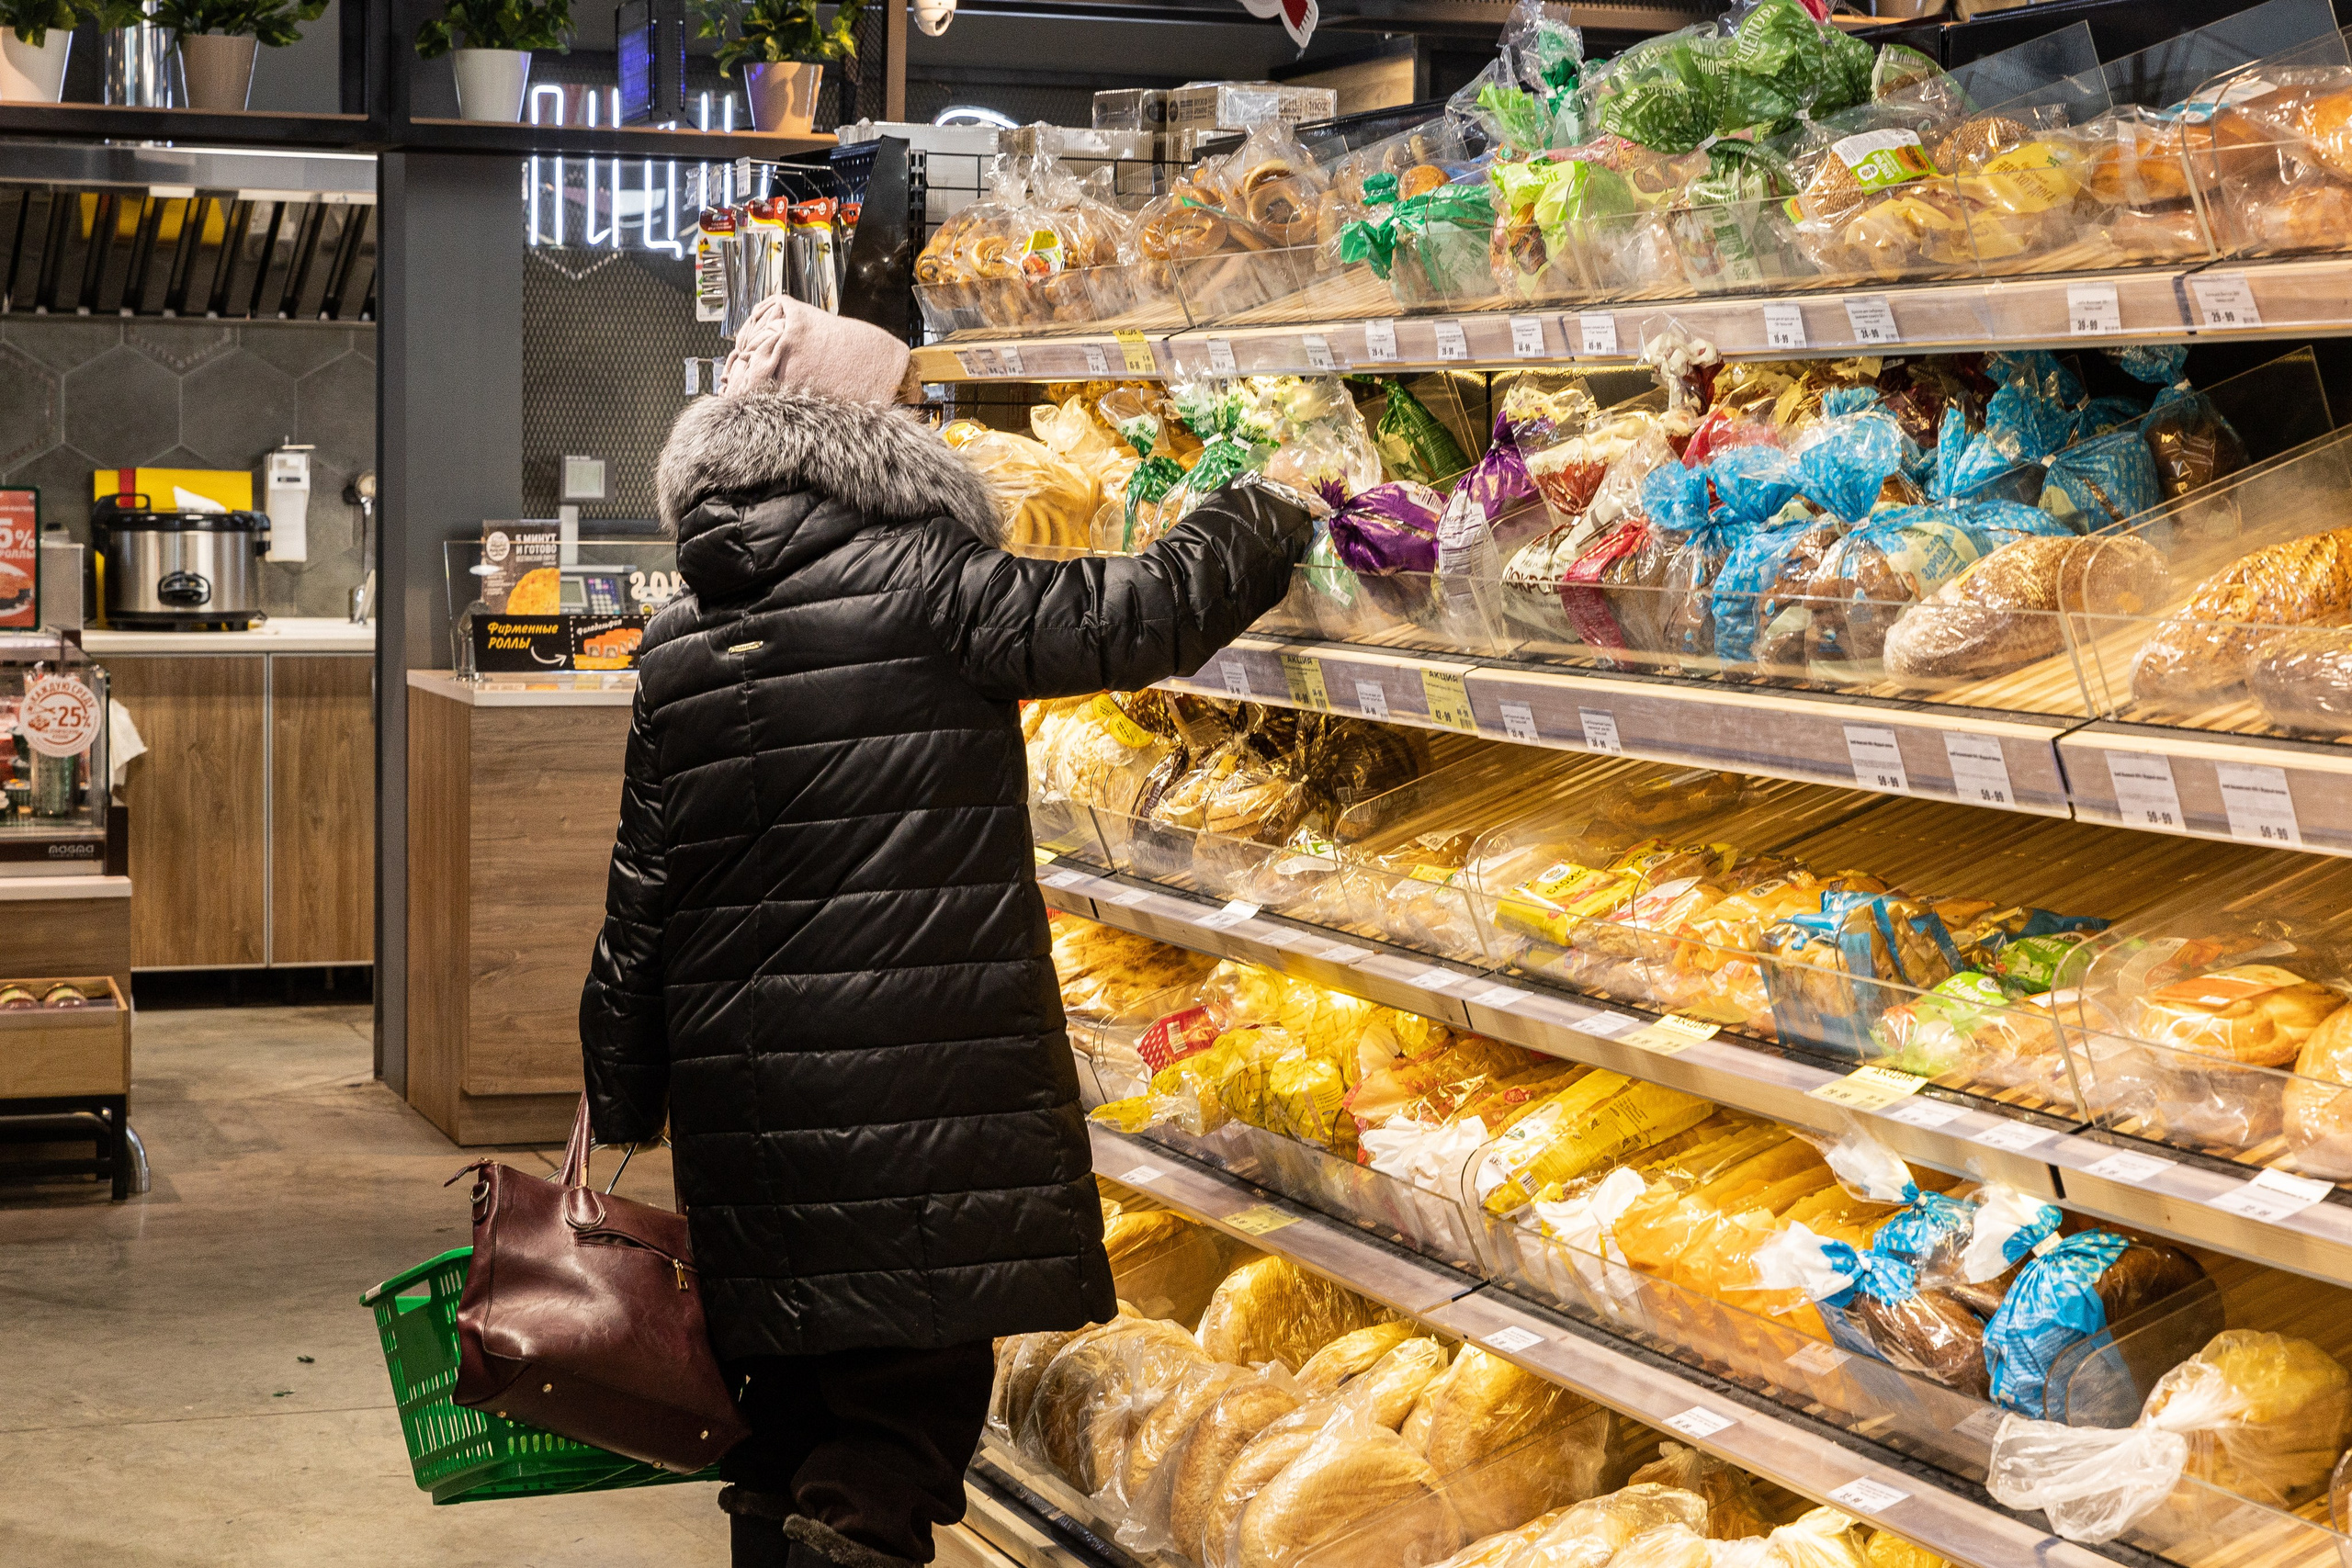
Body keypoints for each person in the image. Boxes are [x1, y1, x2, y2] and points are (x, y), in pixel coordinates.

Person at [579, 294, 1317, 1568]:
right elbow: (1133, 613)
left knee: (783, 1435)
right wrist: (1267, 506)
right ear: (864, 435)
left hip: (750, 1120)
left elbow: (640, 891)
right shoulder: (925, 580)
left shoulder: (677, 639)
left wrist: (624, 1093)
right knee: (893, 1445)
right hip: (919, 1107)